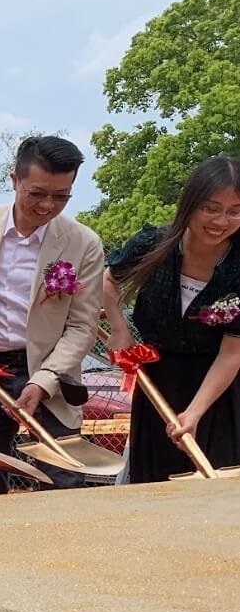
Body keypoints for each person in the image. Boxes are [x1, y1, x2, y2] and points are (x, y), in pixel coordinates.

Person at [0, 135, 105, 493]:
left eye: (61, 196)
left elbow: (82, 326)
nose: (47, 205)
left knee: (63, 477)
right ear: (15, 181)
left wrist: (43, 381)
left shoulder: (83, 243)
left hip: (51, 373)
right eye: (37, 193)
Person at [102, 156, 240, 483]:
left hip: (218, 390)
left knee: (213, 488)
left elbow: (232, 353)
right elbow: (108, 281)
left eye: (234, 210)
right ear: (190, 203)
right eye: (210, 207)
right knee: (154, 483)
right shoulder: (154, 244)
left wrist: (193, 413)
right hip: (157, 380)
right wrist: (119, 328)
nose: (221, 220)